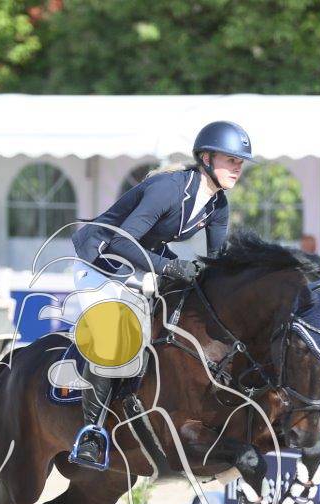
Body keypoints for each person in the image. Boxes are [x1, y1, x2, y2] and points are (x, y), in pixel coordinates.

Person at [67, 120, 252, 468]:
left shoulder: (218, 205)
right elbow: (120, 242)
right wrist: (170, 268)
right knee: (114, 341)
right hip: (101, 260)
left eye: (240, 162)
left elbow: (217, 262)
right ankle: (90, 434)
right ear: (206, 158)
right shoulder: (168, 189)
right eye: (231, 160)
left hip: (141, 261)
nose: (237, 168)